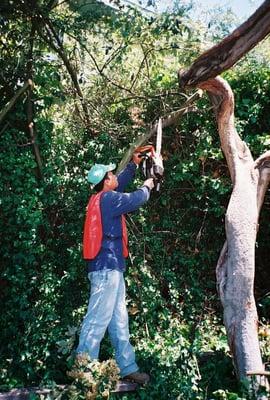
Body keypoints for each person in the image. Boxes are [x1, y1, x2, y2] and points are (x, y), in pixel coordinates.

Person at [76, 151, 154, 384]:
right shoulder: (109, 200)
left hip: (112, 268)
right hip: (106, 269)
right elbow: (135, 200)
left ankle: (126, 367)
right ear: (106, 181)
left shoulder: (104, 198)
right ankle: (84, 371)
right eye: (111, 174)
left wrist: (133, 165)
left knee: (119, 319)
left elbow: (122, 184)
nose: (114, 176)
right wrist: (148, 185)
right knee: (97, 319)